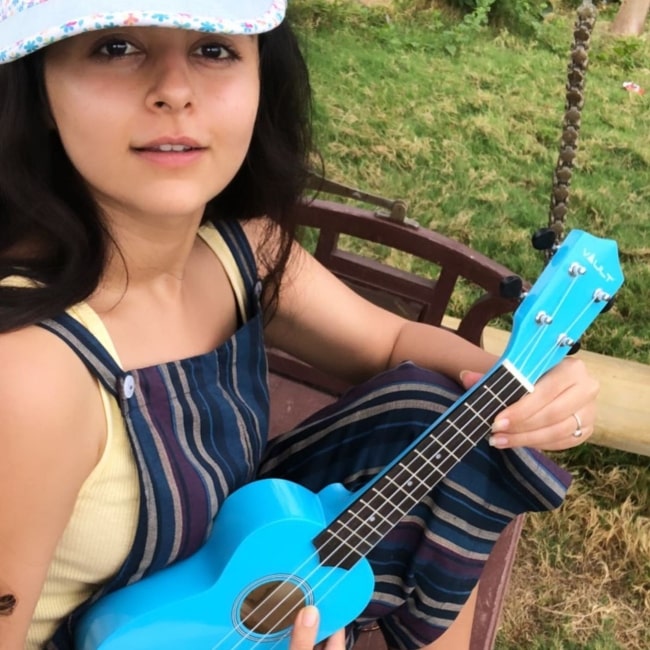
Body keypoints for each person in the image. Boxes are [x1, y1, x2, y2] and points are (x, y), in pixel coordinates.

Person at [0, 1, 599, 649]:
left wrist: (522, 389)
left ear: (263, 78)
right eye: (115, 47)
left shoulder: (240, 251)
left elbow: (392, 343)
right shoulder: (30, 372)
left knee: (440, 411)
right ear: (38, 86)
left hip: (223, 583)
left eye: (214, 48)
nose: (173, 90)